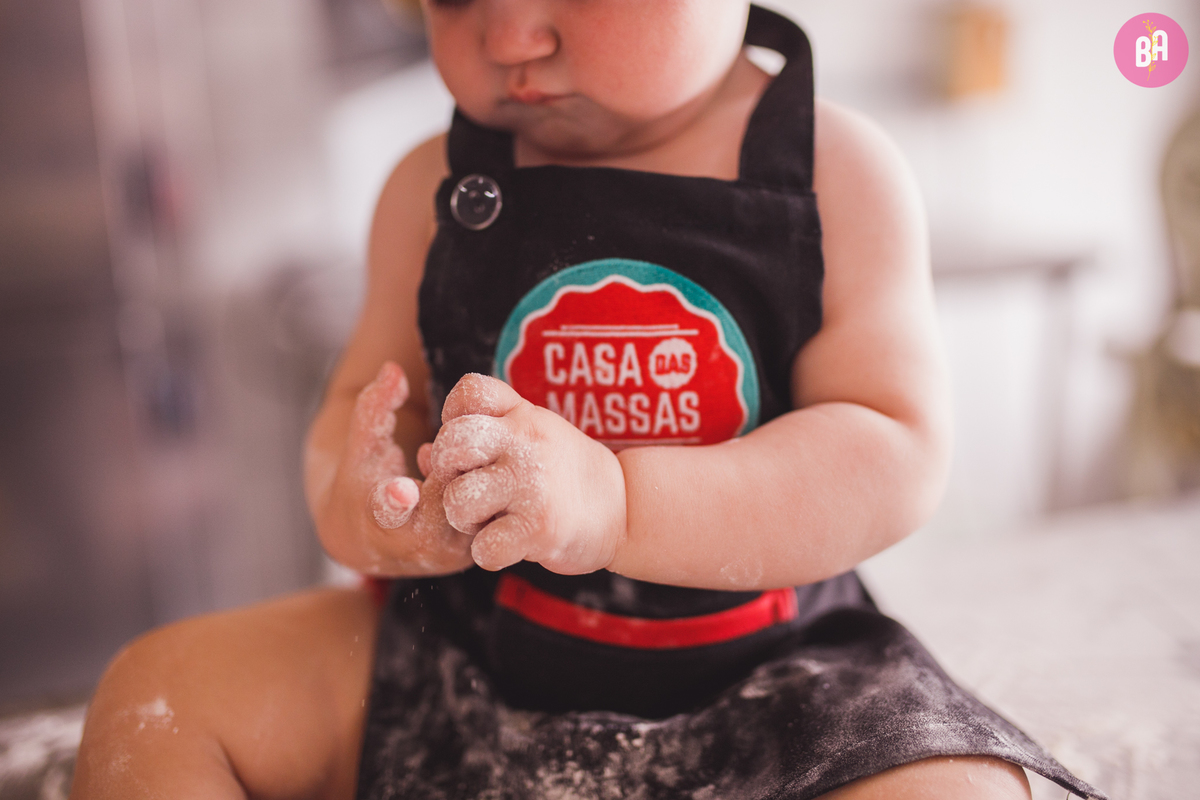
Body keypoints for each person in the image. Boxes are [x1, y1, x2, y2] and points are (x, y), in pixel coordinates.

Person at [70, 2, 1104, 799]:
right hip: (466, 655)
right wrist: (377, 501)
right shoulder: (422, 190)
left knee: (962, 786)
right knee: (160, 693)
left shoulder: (837, 176)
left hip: (772, 671)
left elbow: (891, 450)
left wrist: (617, 502)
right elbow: (358, 417)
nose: (514, 36)